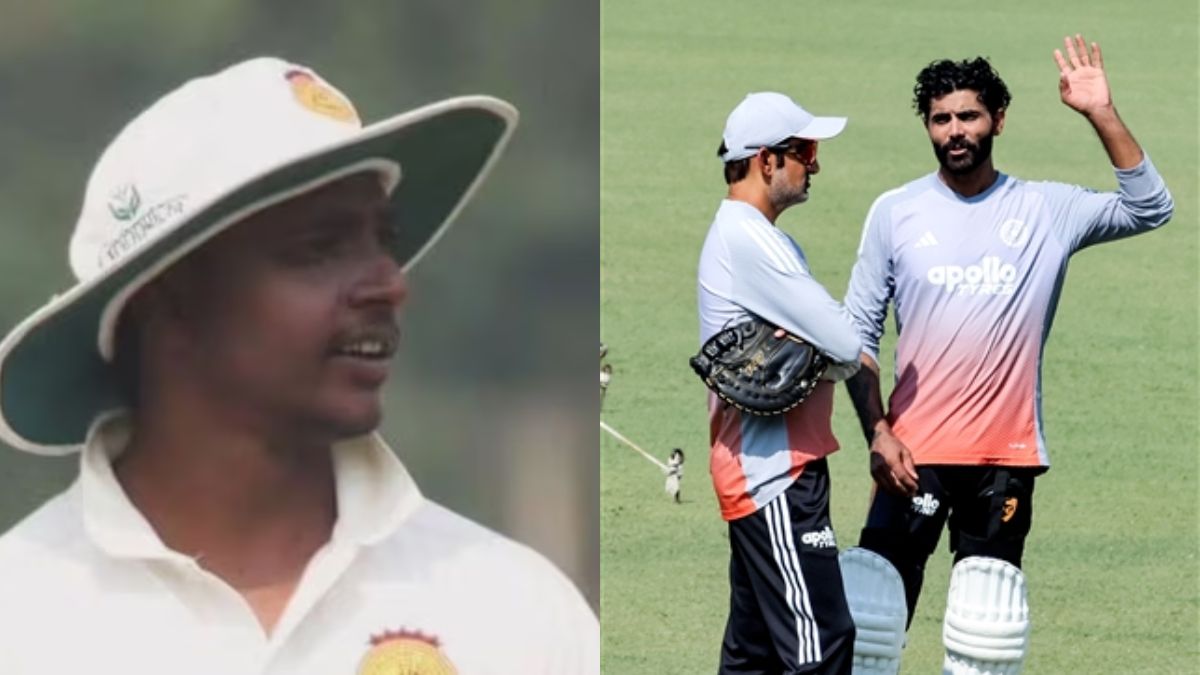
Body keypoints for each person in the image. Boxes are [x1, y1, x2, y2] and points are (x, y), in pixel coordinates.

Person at [0, 58, 598, 674]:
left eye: (383, 240)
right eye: (319, 247)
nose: (390, 283)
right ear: (168, 297)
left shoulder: (517, 612)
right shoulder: (21, 619)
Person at [839, 35, 1174, 674]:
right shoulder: (896, 213)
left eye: (968, 116)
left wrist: (1101, 112)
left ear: (998, 119)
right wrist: (877, 432)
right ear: (927, 126)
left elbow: (1151, 207)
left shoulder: (1048, 209)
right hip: (912, 456)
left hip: (1003, 456)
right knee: (871, 627)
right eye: (941, 119)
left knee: (985, 636)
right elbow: (859, 337)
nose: (955, 131)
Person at [698, 91, 863, 674]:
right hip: (773, 473)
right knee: (821, 644)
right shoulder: (751, 240)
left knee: (754, 657)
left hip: (767, 469)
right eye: (806, 150)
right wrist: (829, 351)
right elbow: (846, 346)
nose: (814, 164)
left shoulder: (758, 237)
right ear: (766, 160)